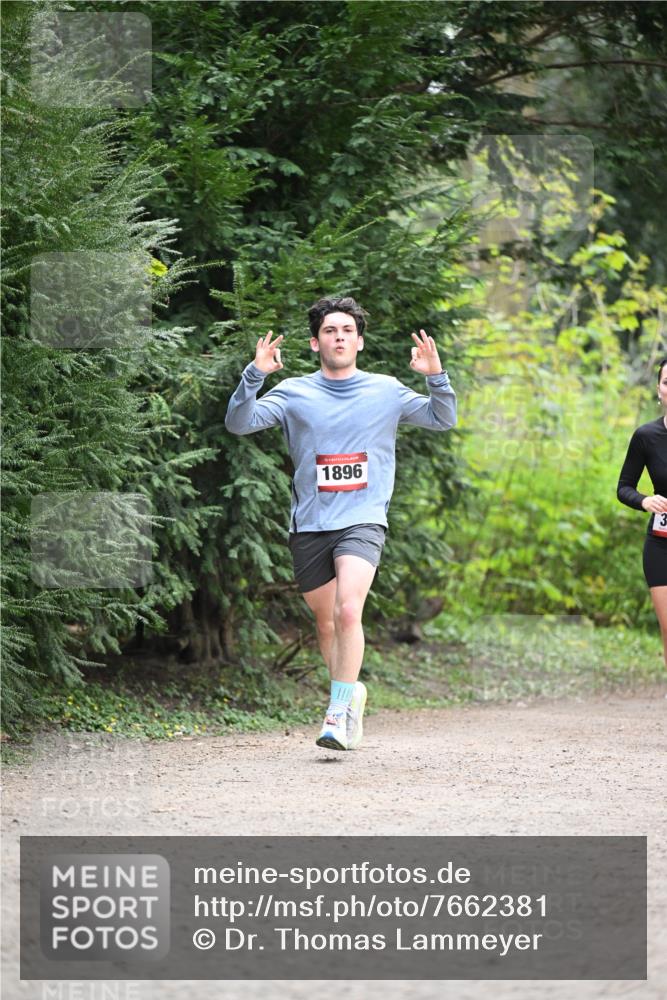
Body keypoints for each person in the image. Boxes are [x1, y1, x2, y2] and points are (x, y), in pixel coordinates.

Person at [225, 295, 457, 750]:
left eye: (347, 331)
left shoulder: (386, 390)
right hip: (311, 522)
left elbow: (442, 418)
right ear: (315, 343)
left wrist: (436, 377)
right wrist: (255, 375)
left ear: (360, 342)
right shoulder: (294, 392)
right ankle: (350, 693)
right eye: (330, 331)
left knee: (349, 609)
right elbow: (239, 422)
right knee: (327, 625)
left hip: (364, 518)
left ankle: (337, 713)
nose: (338, 337)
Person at [616, 357, 667, 667]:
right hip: (661, 543)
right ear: (659, 389)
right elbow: (624, 487)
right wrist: (645, 501)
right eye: (666, 382)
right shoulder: (646, 436)